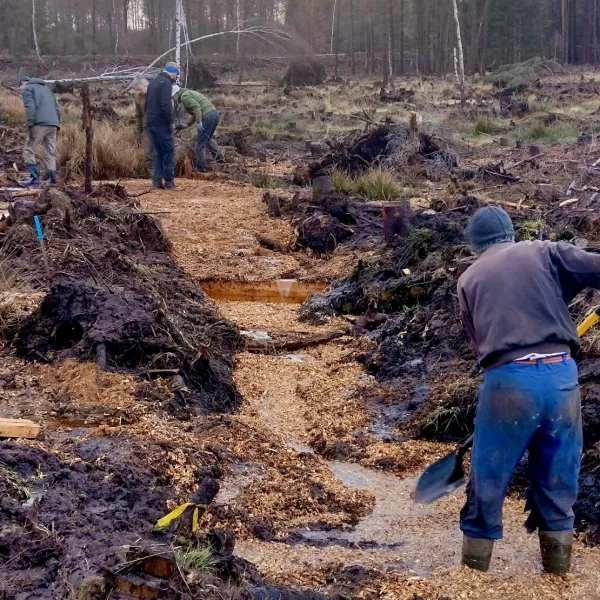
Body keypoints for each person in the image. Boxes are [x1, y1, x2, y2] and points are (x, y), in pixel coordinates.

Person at [457, 205, 600, 575]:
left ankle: (472, 579)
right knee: (558, 478)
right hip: (561, 379)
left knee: (487, 480)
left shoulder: (468, 279)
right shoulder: (544, 251)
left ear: (475, 243)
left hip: (508, 383)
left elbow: (479, 347)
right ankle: (557, 578)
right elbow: (593, 266)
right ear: (511, 233)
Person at [19, 76, 61, 186]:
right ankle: (52, 179)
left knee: (28, 149)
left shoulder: (28, 88)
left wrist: (30, 124)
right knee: (50, 152)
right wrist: (57, 122)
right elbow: (57, 107)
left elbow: (30, 106)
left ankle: (34, 178)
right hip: (53, 124)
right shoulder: (47, 89)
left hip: (39, 124)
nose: (20, 89)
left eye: (20, 86)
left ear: (23, 83)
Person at [173, 86, 225, 172]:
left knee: (200, 144)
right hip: (214, 114)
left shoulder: (184, 97)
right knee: (207, 139)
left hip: (207, 116)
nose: (173, 99)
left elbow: (197, 108)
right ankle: (220, 158)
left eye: (172, 97)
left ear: (176, 93)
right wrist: (186, 125)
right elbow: (196, 113)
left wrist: (199, 122)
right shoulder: (188, 93)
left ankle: (201, 167)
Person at [146, 62, 178, 189]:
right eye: (176, 74)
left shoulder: (152, 83)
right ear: (173, 72)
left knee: (158, 153)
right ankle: (169, 182)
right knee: (168, 152)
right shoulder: (166, 84)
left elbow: (146, 104)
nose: (176, 77)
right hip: (162, 124)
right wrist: (170, 122)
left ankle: (156, 181)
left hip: (151, 123)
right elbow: (166, 105)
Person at [131, 77, 153, 177]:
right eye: (137, 90)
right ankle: (153, 176)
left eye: (140, 89)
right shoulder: (138, 97)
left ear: (147, 86)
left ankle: (165, 176)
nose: (139, 92)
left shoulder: (156, 94)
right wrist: (138, 132)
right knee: (147, 152)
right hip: (146, 128)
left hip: (159, 127)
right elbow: (138, 116)